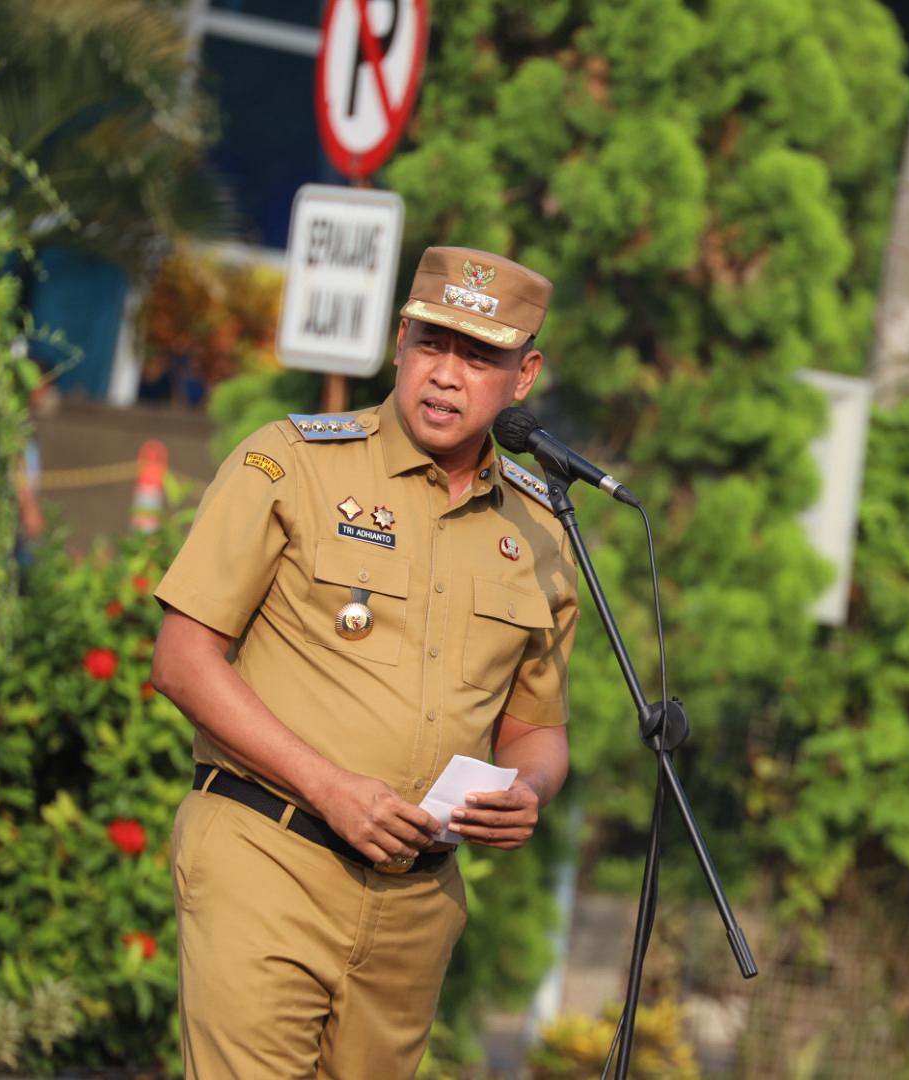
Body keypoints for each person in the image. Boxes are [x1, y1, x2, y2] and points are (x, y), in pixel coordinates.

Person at [149, 246, 578, 1079]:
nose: (447, 375)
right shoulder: (292, 462)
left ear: (523, 376)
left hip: (415, 903)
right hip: (268, 856)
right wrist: (330, 789)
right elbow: (182, 660)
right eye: (431, 344)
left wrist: (527, 793)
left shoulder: (541, 531)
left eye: (479, 355)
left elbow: (535, 732)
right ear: (398, 342)